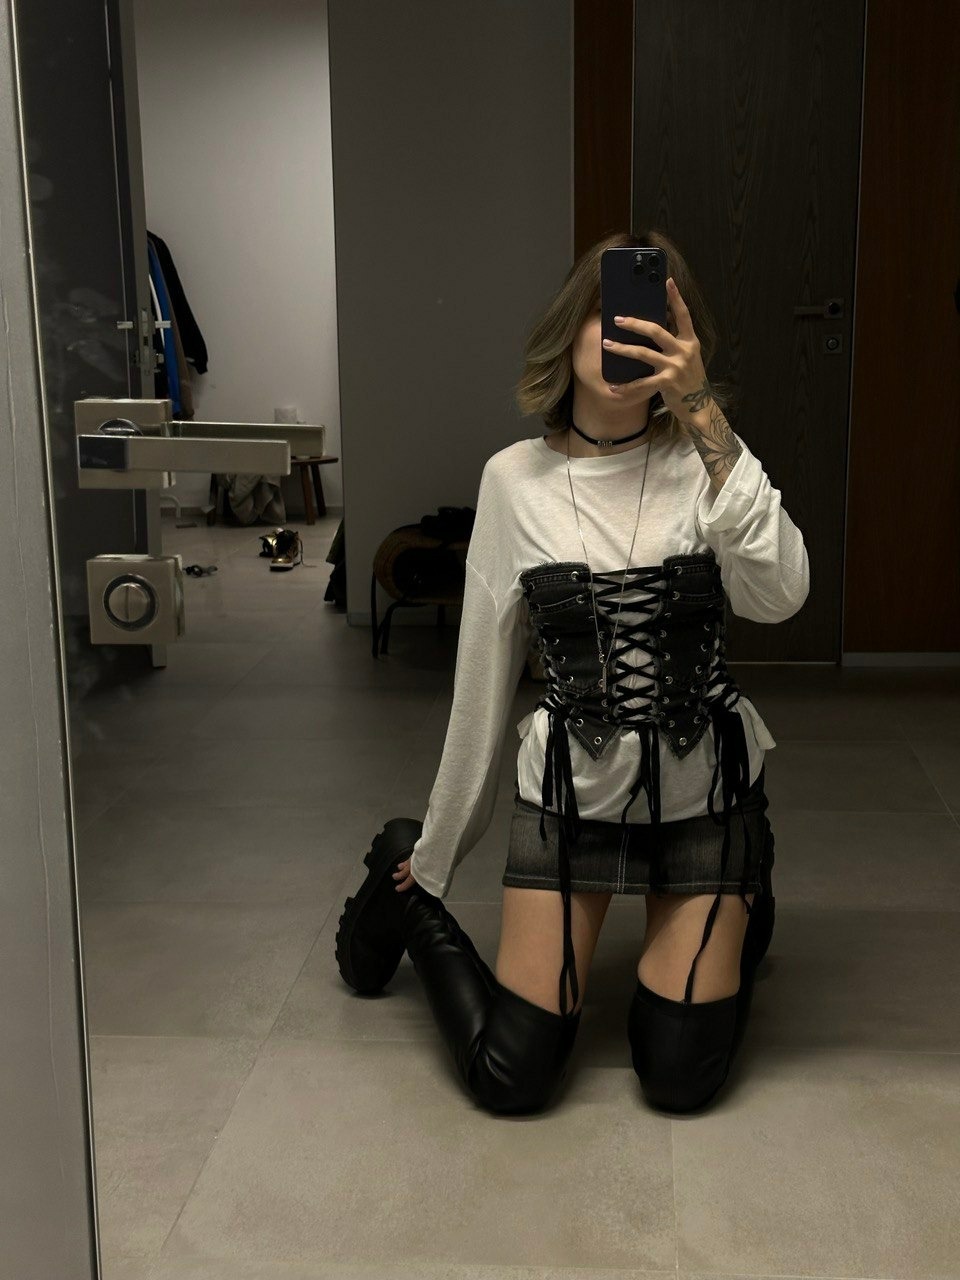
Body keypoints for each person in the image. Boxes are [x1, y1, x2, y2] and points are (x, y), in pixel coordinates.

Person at [336, 228, 809, 1115]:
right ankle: (404, 892)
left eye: (650, 316)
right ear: (568, 329)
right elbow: (482, 680)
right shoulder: (513, 481)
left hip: (704, 800)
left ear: (682, 337)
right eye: (606, 312)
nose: (625, 334)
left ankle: (747, 876)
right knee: (512, 1077)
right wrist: (437, 852)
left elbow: (781, 595)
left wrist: (705, 416)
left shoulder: (711, 463)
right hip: (572, 796)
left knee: (679, 1078)